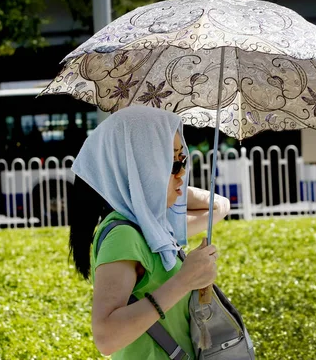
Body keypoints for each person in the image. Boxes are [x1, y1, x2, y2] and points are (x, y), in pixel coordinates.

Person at [69, 106, 231, 359]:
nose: (182, 173)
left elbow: (218, 206)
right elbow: (106, 337)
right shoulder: (123, 235)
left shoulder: (153, 225)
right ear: (140, 167)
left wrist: (155, 187)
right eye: (170, 162)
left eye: (182, 159)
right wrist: (184, 280)